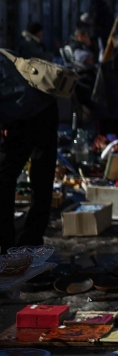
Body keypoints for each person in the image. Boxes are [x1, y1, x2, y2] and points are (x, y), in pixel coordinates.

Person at [0, 50, 58, 251]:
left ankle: (5, 244)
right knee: (42, 180)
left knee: (4, 178)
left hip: (27, 115)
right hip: (45, 107)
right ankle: (31, 240)